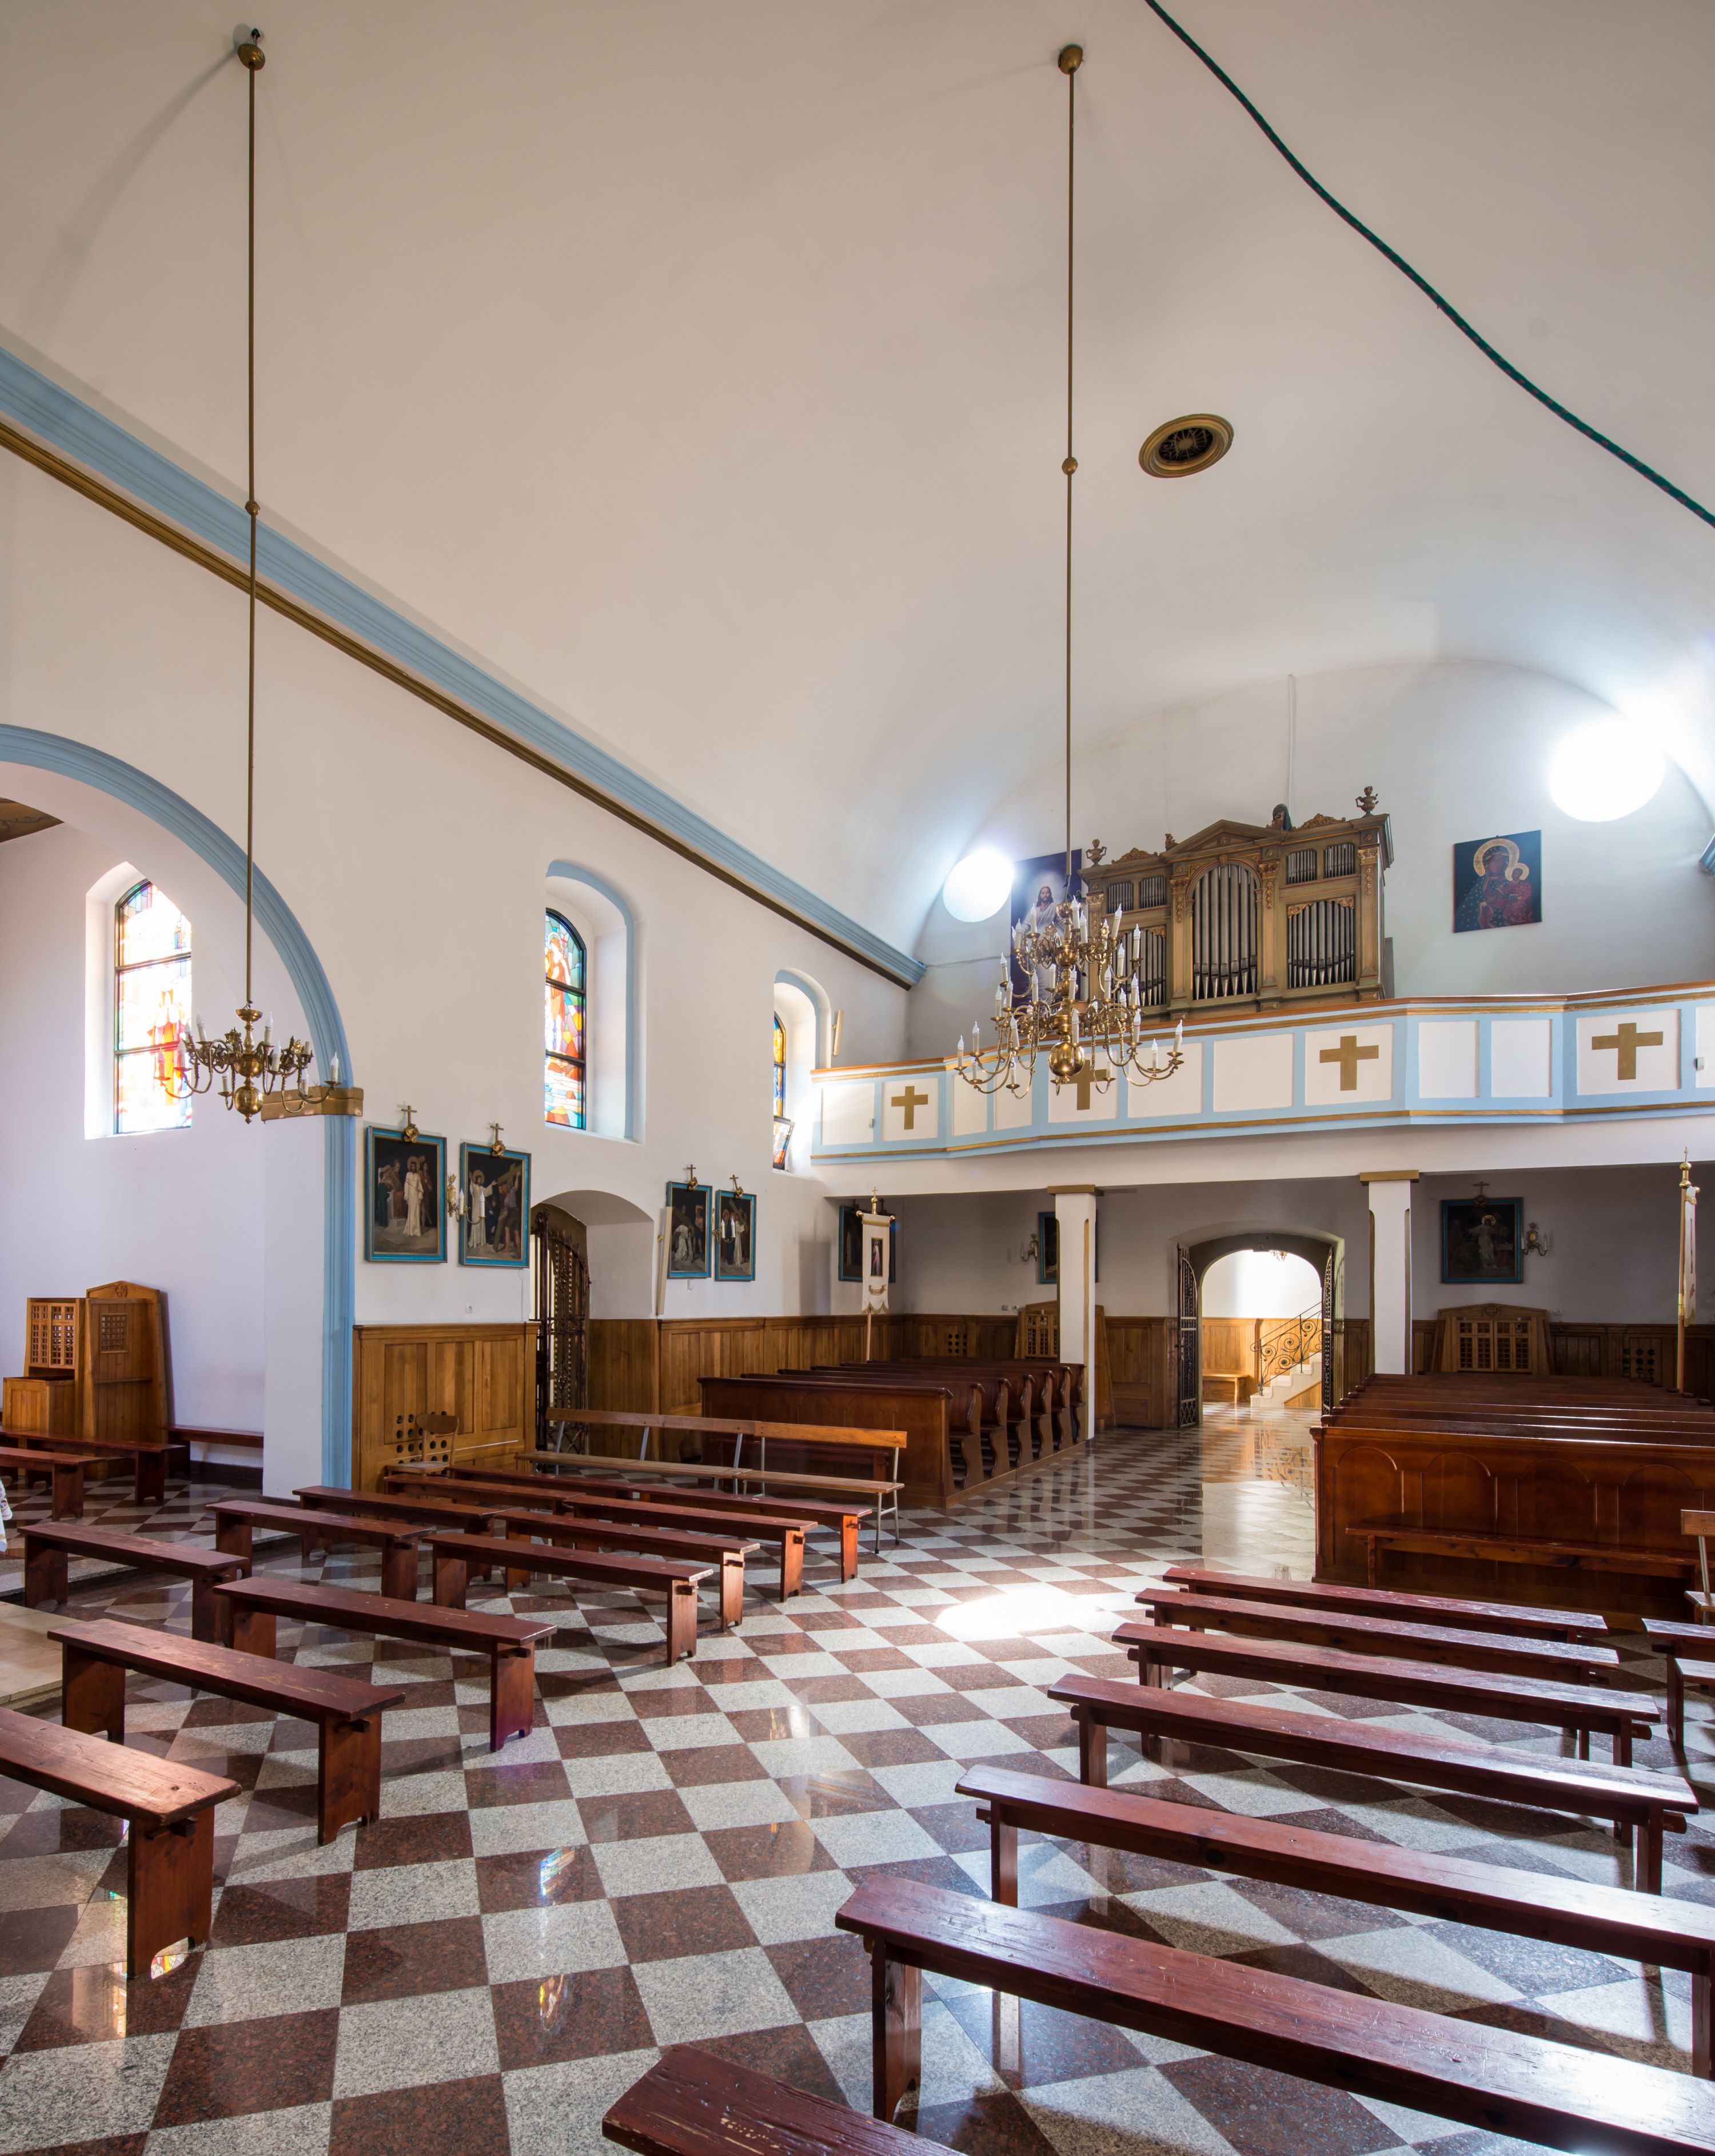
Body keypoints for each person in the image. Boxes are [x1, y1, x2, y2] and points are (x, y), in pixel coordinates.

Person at [403, 1155, 426, 1240]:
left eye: (414, 1166)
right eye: (412, 1166)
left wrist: (420, 1196)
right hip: (410, 1197)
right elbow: (406, 1186)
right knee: (411, 1213)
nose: (413, 1168)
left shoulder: (418, 1176)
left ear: (416, 1167)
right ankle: (410, 1231)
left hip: (416, 1197)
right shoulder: (408, 1175)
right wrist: (407, 1196)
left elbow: (420, 1187)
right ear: (410, 1167)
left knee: (416, 1214)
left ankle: (416, 1231)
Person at [467, 1168, 488, 1252]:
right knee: (476, 1224)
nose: (480, 1181)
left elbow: (487, 1191)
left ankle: (480, 1241)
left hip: (481, 1210)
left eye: (481, 1179)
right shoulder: (475, 1187)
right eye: (479, 1179)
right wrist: (471, 1179)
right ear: (476, 1180)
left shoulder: (482, 1188)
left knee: (481, 1225)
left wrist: (491, 1185)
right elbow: (472, 1189)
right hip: (475, 1209)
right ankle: (475, 1241)